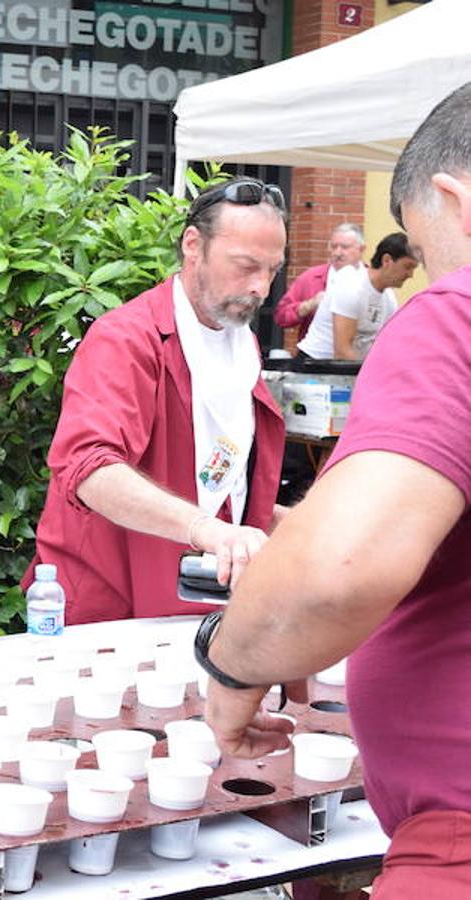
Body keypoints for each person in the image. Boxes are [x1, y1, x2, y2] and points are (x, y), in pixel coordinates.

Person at [202, 82, 471, 897]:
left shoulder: (454, 320)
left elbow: (333, 574)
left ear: (456, 198)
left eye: (429, 252)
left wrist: (229, 668)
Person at [24, 178, 288, 624]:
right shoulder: (126, 339)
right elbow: (89, 469)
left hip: (198, 598)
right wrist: (207, 530)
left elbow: (229, 486)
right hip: (111, 606)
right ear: (192, 244)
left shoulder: (242, 348)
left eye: (273, 270)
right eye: (245, 265)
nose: (261, 287)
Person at [295, 232, 419, 360]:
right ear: (386, 260)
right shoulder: (352, 286)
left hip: (348, 368)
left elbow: (387, 345)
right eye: (408, 267)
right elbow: (342, 352)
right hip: (314, 367)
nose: (410, 275)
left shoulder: (389, 298)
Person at [272, 223, 365, 344]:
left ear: (361, 249)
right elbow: (281, 316)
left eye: (345, 247)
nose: (337, 252)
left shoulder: (370, 280)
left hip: (358, 356)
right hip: (315, 358)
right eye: (334, 247)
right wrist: (308, 305)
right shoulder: (311, 277)